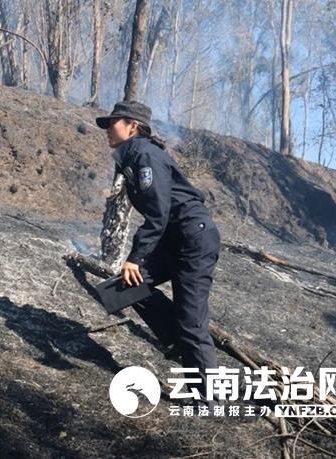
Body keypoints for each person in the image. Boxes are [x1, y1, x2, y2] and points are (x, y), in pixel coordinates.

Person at [96, 100, 221, 403]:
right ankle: (176, 341)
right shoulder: (132, 156)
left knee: (192, 323)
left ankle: (211, 398)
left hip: (194, 240)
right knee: (120, 290)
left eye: (113, 123)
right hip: (172, 239)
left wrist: (135, 257)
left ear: (132, 126)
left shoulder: (145, 156)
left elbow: (158, 213)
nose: (107, 130)